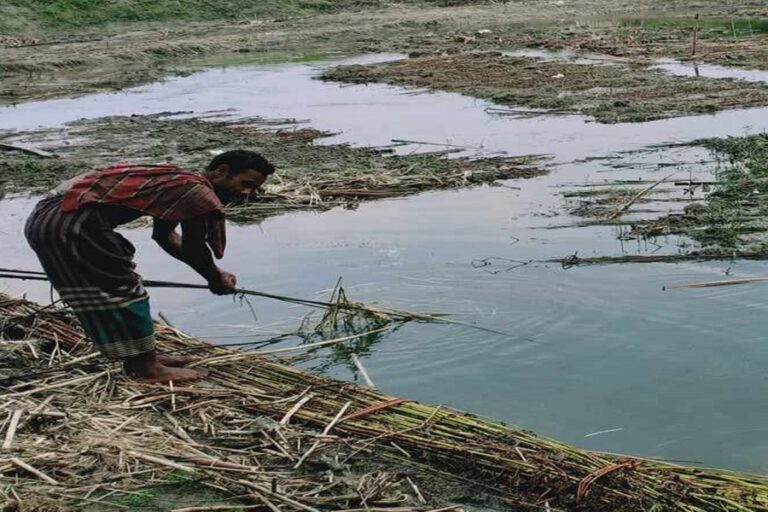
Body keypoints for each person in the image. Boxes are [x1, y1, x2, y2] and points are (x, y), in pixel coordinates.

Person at [24, 150, 275, 382]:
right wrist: (214, 278)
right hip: (73, 225)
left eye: (253, 189)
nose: (246, 193)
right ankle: (146, 369)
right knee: (126, 291)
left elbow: (164, 236)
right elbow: (195, 248)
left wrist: (215, 274)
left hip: (47, 220)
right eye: (246, 184)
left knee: (108, 289)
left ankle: (142, 357)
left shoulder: (181, 183)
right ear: (221, 171)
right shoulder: (198, 193)